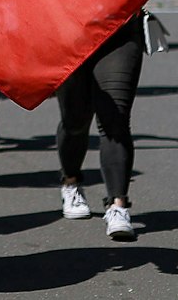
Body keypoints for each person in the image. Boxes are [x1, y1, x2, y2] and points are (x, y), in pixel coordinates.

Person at [54, 14, 144, 241]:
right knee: (75, 120)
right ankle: (71, 181)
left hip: (120, 29)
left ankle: (118, 205)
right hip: (70, 30)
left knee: (115, 119)